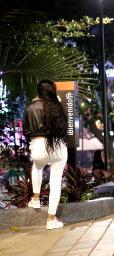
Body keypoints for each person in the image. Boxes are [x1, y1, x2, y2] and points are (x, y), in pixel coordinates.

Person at [23, 80, 68, 230]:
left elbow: (26, 130)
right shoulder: (57, 106)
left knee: (37, 167)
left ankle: (35, 198)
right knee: (56, 184)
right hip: (57, 146)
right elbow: (63, 129)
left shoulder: (30, 107)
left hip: (38, 146)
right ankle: (51, 219)